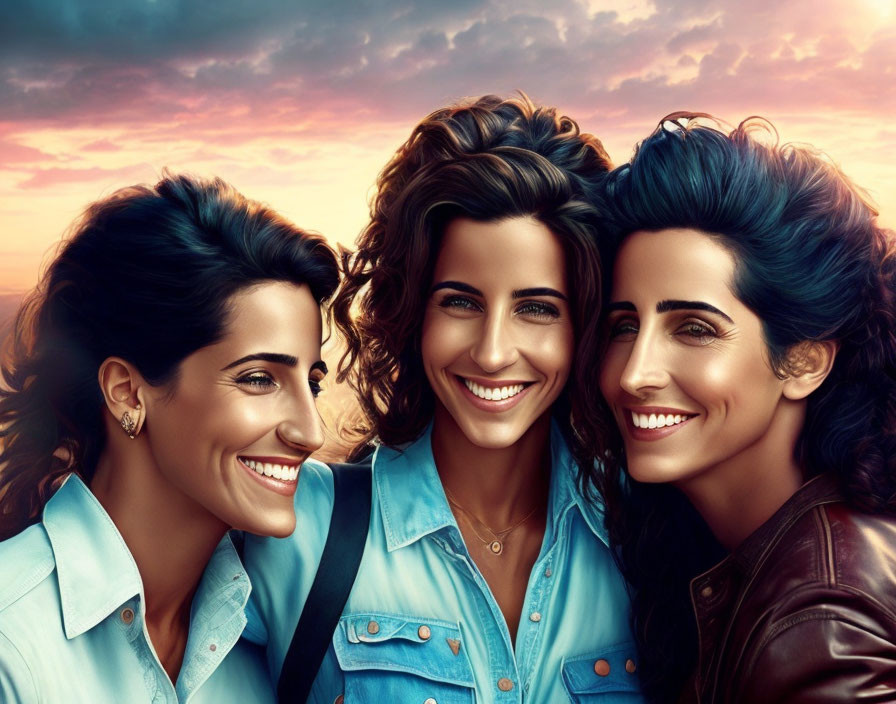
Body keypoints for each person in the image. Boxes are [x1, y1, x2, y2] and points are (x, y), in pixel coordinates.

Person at [242, 95, 645, 702]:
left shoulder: (644, 537)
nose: (491, 352)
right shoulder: (297, 534)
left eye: (537, 309)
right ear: (411, 311)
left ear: (583, 326)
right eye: (460, 301)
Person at [0, 173, 339, 703]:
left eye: (312, 384)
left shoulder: (268, 644)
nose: (310, 432)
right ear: (127, 393)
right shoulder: (13, 647)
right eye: (259, 379)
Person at [596, 114, 896, 703]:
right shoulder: (726, 543)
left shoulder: (822, 622)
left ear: (804, 363)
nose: (634, 373)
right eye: (625, 325)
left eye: (696, 329)